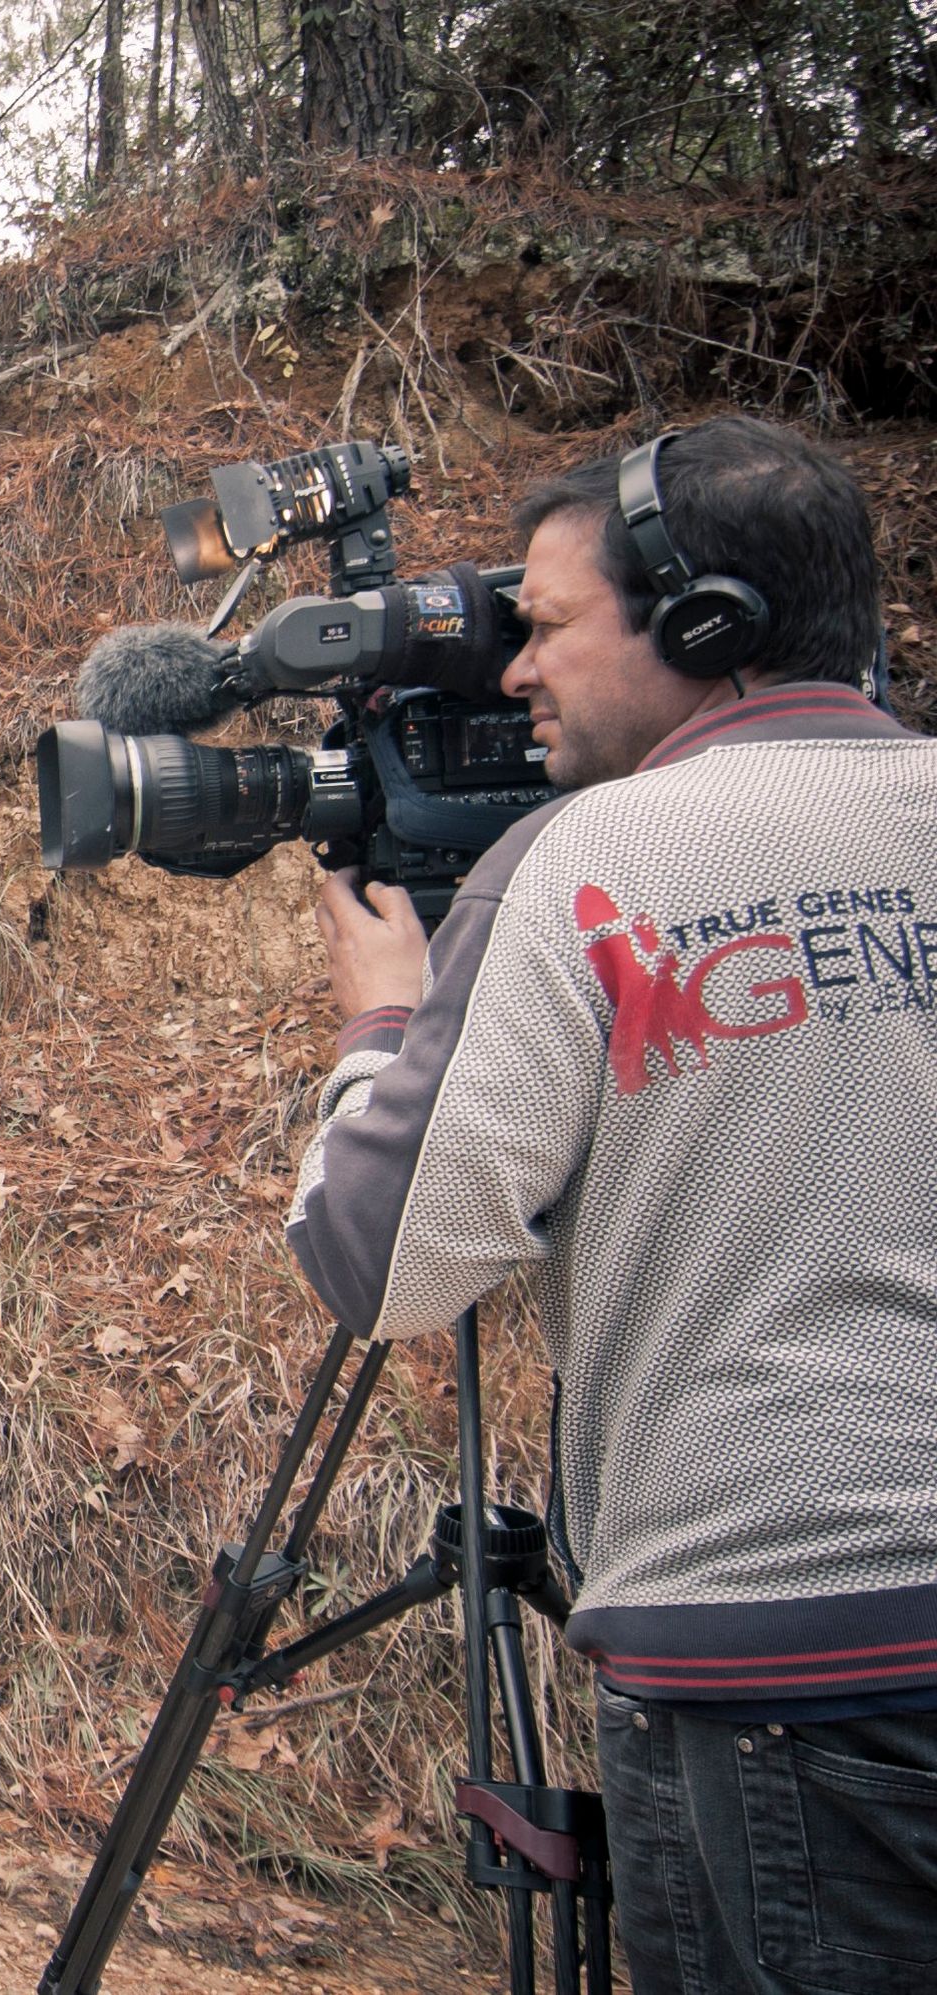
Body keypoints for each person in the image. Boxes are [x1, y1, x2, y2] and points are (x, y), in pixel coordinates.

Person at [287, 415, 937, 1992]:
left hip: (779, 1658)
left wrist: (384, 1019)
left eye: (555, 628)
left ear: (704, 628)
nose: (517, 673)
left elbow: (380, 1258)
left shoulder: (590, 862)